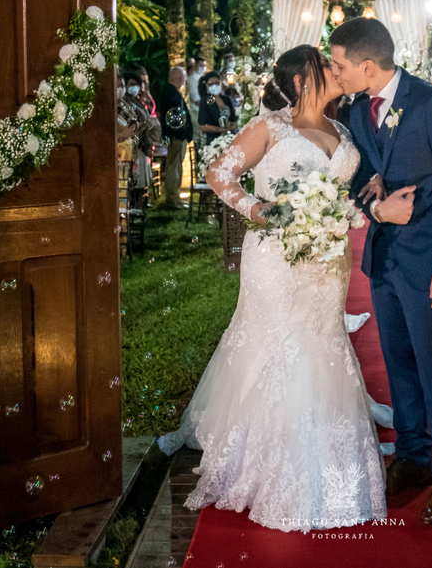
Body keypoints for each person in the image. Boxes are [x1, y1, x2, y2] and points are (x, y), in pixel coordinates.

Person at [157, 44, 389, 532]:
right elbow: (218, 173)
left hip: (327, 261)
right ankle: (267, 461)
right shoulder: (271, 127)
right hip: (275, 257)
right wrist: (258, 211)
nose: (334, 69)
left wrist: (362, 197)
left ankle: (332, 454)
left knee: (323, 343)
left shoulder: (343, 130)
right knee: (279, 347)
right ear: (303, 79)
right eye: (325, 64)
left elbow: (345, 188)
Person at [331, 18, 432, 528]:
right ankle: (413, 457)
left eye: (340, 64)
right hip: (384, 258)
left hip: (431, 261)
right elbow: (356, 180)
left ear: (368, 66)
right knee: (397, 359)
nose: (336, 72)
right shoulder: (357, 109)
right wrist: (371, 201)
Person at [156, 66, 193, 208]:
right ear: (179, 78)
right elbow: (175, 119)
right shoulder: (171, 94)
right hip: (176, 136)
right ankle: (172, 198)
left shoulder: (169, 92)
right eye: (183, 78)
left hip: (175, 136)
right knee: (174, 166)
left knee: (175, 165)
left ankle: (175, 197)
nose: (184, 81)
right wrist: (182, 133)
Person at [197, 71, 237, 144]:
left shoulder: (226, 99)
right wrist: (220, 129)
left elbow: (233, 119)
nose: (214, 86)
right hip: (213, 141)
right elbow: (202, 125)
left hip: (228, 138)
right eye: (211, 84)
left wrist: (232, 125)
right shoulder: (205, 101)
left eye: (217, 83)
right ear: (206, 85)